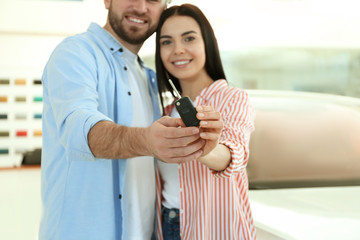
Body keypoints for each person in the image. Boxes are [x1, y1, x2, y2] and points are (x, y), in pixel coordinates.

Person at [39, 0, 222, 239]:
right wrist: (147, 141)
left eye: (153, 0)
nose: (141, 7)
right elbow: (78, 128)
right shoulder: (76, 53)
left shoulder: (150, 78)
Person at [154, 4, 257, 240]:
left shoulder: (232, 98)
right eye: (166, 42)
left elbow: (235, 154)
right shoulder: (165, 112)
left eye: (188, 38)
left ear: (206, 43)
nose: (178, 49)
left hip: (212, 230)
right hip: (167, 225)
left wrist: (206, 148)